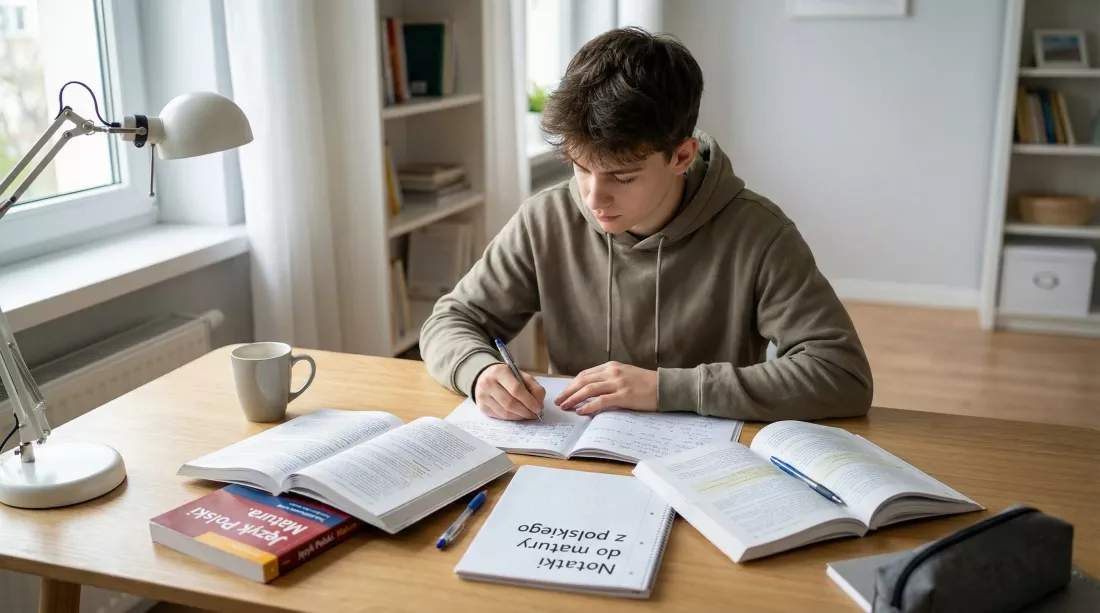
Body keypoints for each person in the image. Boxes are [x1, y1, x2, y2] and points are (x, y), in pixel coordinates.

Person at [420, 27, 873, 423]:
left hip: (709, 467)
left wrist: (666, 389)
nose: (593, 197)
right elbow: (451, 320)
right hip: (579, 457)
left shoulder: (760, 233)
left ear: (681, 156)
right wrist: (479, 371)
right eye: (580, 167)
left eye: (622, 176)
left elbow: (842, 373)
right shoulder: (545, 219)